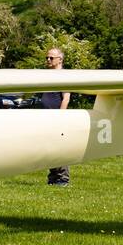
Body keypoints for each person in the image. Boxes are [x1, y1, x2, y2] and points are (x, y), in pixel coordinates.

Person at [38, 48, 71, 186]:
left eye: (51, 58)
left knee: (59, 148)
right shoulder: (48, 76)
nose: (48, 60)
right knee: (49, 148)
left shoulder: (63, 76)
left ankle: (63, 178)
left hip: (56, 118)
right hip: (46, 117)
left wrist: (60, 117)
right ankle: (53, 177)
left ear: (60, 59)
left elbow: (66, 98)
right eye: (47, 57)